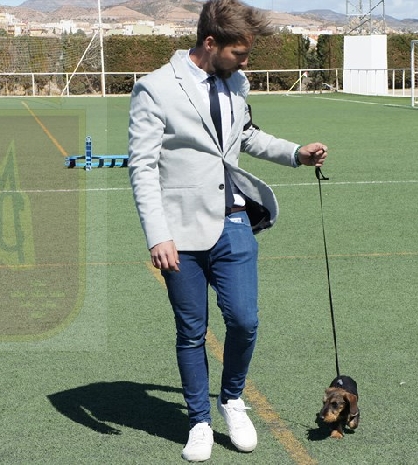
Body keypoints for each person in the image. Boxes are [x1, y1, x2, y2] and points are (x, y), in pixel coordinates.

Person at [127, 0, 327, 461]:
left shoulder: (237, 82)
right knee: (191, 331)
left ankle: (232, 399)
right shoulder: (155, 88)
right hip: (179, 232)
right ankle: (199, 420)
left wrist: (296, 153)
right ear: (210, 43)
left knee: (244, 320)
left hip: (233, 220)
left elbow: (246, 135)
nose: (246, 62)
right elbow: (142, 167)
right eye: (240, 53)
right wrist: (158, 235)